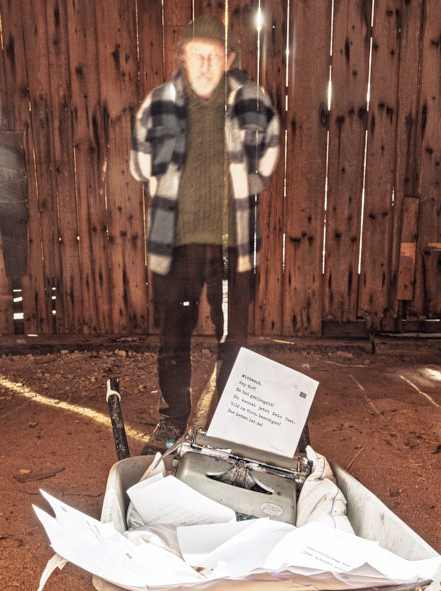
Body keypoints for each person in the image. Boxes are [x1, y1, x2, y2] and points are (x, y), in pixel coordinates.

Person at [130, 15, 281, 454]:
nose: (204, 64)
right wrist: (165, 186)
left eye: (213, 55)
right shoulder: (159, 103)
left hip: (232, 245)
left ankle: (228, 423)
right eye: (195, 55)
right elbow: (140, 161)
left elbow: (270, 145)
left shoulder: (251, 101)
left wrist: (251, 182)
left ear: (229, 58)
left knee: (232, 336)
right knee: (173, 336)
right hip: (176, 246)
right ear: (183, 58)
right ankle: (172, 420)